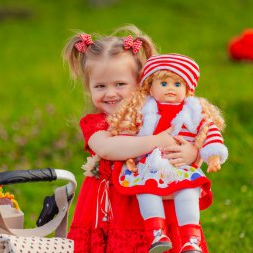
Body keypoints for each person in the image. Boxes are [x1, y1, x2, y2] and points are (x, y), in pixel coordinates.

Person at [63, 26, 206, 253]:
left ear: (141, 83)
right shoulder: (96, 122)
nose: (110, 93)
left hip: (159, 199)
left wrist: (192, 154)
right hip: (114, 210)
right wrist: (157, 141)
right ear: (89, 89)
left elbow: (185, 142)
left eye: (120, 84)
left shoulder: (155, 119)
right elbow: (108, 148)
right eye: (100, 86)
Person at [108, 53, 228, 253]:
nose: (170, 89)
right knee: (147, 191)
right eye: (163, 84)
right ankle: (156, 233)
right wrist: (130, 157)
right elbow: (129, 131)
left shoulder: (193, 110)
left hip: (180, 166)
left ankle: (191, 239)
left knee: (188, 193)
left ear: (188, 89)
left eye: (177, 84)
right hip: (150, 166)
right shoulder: (142, 109)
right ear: (150, 87)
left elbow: (209, 130)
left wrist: (212, 154)